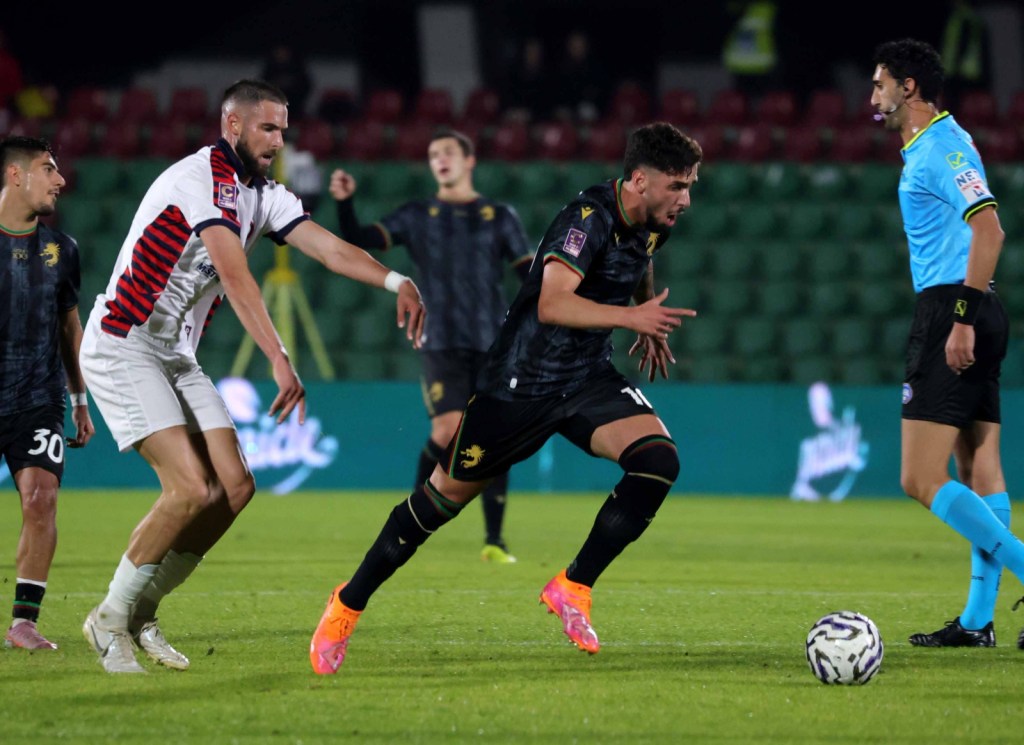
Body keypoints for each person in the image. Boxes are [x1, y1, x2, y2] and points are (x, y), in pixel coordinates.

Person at [310, 121, 702, 674]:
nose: (686, 199)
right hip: (519, 383)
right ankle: (347, 604)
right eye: (677, 186)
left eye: (690, 186)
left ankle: (573, 585)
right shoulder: (587, 219)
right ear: (639, 180)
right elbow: (552, 304)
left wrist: (644, 311)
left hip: (586, 377)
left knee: (658, 461)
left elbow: (641, 257)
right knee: (438, 502)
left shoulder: (655, 220)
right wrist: (631, 317)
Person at [79, 79, 425, 674]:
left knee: (235, 487)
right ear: (233, 125)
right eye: (268, 128)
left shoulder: (262, 194)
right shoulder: (200, 178)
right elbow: (235, 276)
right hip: (123, 341)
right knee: (189, 489)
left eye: (283, 130)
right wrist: (278, 355)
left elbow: (330, 249)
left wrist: (397, 281)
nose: (278, 141)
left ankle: (142, 611)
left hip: (174, 352)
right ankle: (108, 619)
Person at [869, 39, 1024, 649]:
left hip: (953, 309)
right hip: (974, 307)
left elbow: (990, 230)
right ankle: (978, 621)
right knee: (978, 467)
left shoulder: (942, 147)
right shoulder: (936, 144)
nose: (873, 95)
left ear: (908, 87)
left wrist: (961, 318)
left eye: (880, 83)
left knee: (918, 476)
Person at [330, 129, 533, 564]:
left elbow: (528, 274)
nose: (440, 159)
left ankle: (494, 540)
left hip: (493, 344)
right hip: (440, 341)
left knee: (495, 439)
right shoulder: (417, 214)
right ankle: (412, 518)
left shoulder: (499, 216)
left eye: (448, 152)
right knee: (447, 430)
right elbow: (359, 237)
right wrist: (345, 202)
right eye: (433, 153)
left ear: (469, 160)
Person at [0, 136, 94, 650]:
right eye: (48, 169)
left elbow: (68, 328)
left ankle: (24, 622)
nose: (60, 180)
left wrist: (79, 399)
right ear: (15, 175)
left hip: (38, 397)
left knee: (41, 498)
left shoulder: (63, 249)